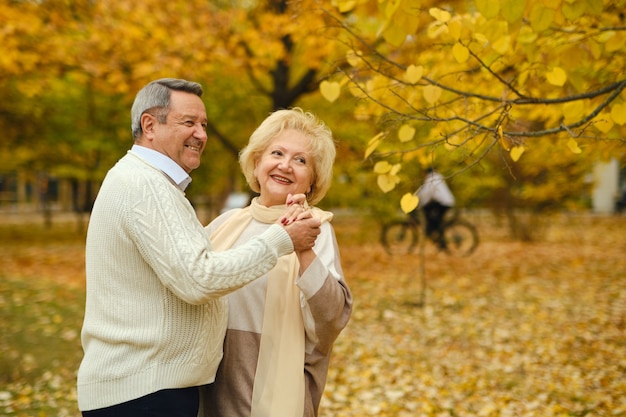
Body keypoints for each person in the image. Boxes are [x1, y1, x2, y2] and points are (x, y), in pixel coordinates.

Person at [76, 79, 322, 417]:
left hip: (149, 390)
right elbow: (200, 278)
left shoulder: (148, 183)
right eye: (188, 122)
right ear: (150, 125)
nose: (201, 134)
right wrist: (283, 240)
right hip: (142, 395)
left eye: (204, 125)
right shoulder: (145, 186)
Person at [201, 108, 352, 417]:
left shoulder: (317, 230)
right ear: (257, 164)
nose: (285, 165)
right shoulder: (224, 225)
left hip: (274, 393)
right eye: (277, 153)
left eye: (301, 160)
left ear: (312, 180)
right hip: (211, 388)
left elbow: (331, 320)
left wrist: (303, 249)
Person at [414, 167, 455, 248]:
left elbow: (426, 193)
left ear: (426, 173)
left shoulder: (432, 179)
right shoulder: (436, 177)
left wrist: (419, 203)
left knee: (432, 217)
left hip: (443, 203)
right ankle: (437, 234)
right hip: (445, 202)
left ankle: (435, 233)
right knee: (433, 216)